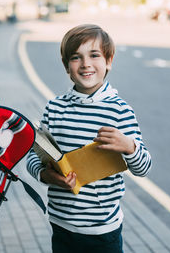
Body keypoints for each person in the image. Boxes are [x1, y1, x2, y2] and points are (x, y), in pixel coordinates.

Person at [26, 24, 152, 253]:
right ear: (66, 66)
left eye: (94, 55)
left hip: (103, 231)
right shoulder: (54, 108)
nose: (85, 64)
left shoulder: (119, 111)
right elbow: (33, 157)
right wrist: (46, 175)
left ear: (108, 61)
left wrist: (129, 147)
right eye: (76, 57)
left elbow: (143, 168)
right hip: (61, 225)